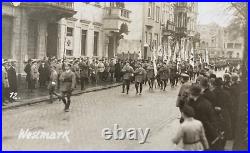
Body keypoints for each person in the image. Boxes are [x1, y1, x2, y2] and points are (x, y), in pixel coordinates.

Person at [187, 84, 221, 150]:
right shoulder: (202, 101)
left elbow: (203, 120)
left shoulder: (200, 105)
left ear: (192, 93)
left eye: (189, 92)